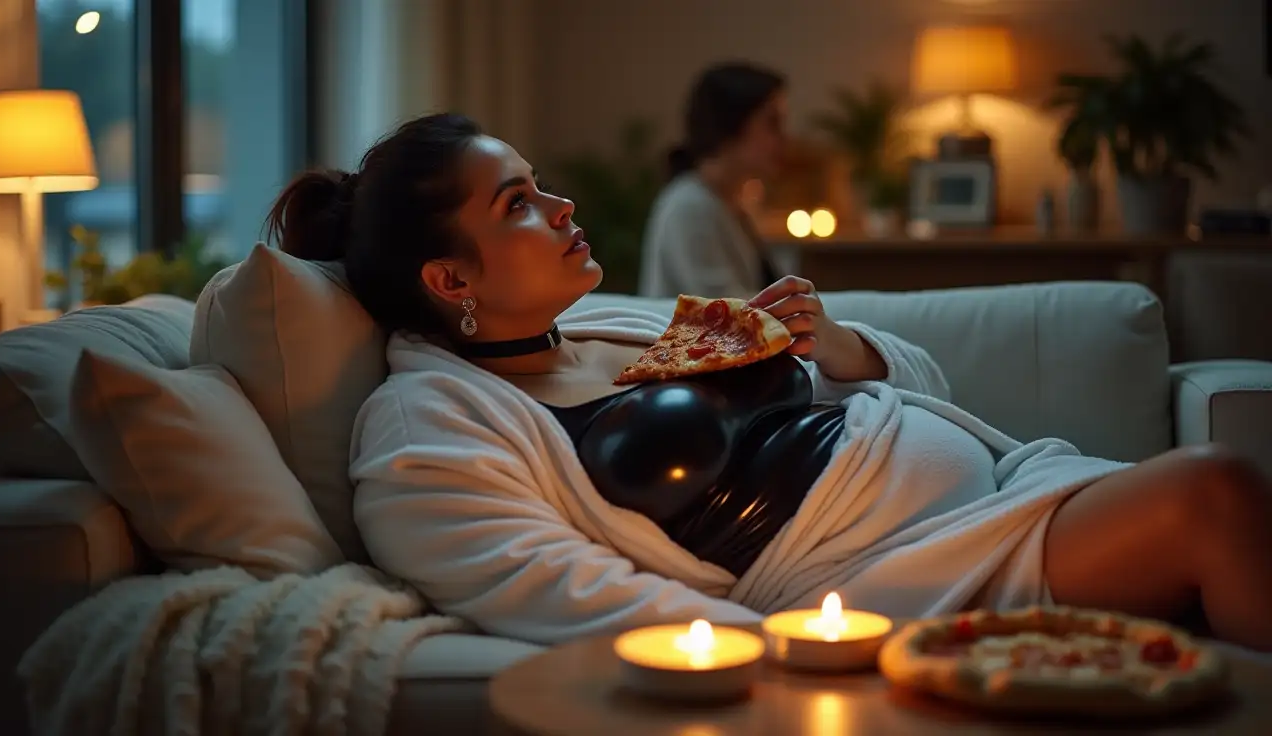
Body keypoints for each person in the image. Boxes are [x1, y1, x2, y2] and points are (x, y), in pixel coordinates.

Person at [266, 112, 1272, 652]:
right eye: (521, 203)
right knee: (1212, 491)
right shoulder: (425, 424)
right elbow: (550, 584)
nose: (565, 206)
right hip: (898, 575)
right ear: (452, 279)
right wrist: (791, 657)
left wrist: (837, 345)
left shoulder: (619, 326)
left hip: (990, 498)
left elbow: (918, 385)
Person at [638, 62, 788, 299]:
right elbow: (723, 309)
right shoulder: (689, 207)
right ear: (732, 124)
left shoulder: (731, 201)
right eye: (772, 123)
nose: (783, 138)